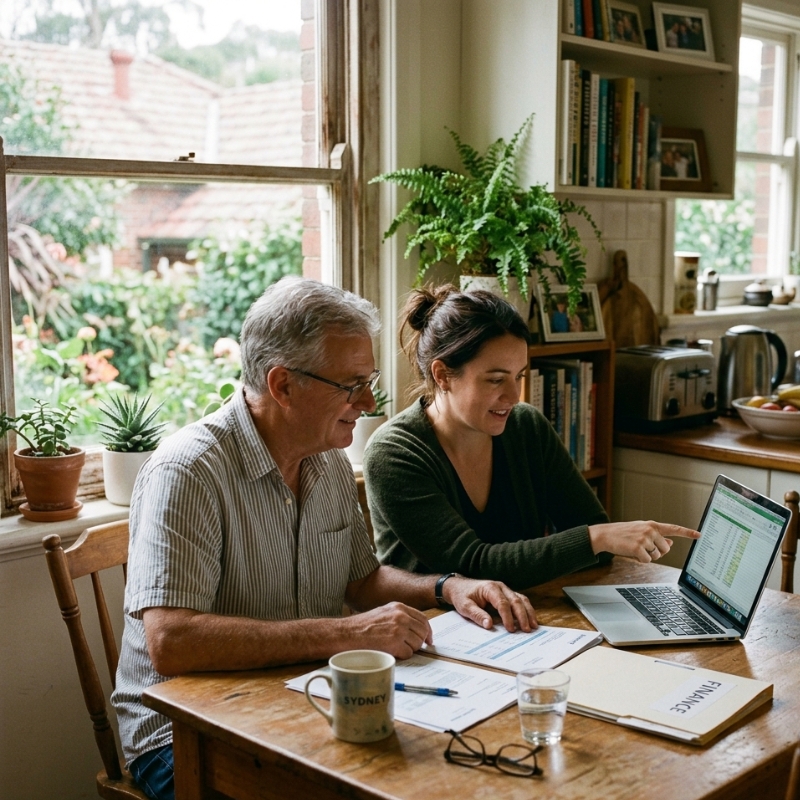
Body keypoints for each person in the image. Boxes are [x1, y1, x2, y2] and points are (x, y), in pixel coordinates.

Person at [111, 278, 536, 800]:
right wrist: (343, 634)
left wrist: (447, 588)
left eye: (370, 378)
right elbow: (171, 643)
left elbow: (362, 580)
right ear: (283, 385)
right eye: (350, 384)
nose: (368, 399)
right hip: (181, 736)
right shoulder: (189, 471)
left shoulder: (329, 459)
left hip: (296, 697)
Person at [362, 285, 700, 591]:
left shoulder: (526, 427)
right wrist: (595, 539)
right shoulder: (394, 452)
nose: (513, 395)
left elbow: (598, 543)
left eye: (519, 376)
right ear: (443, 375)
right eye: (495, 380)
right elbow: (469, 566)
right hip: (428, 636)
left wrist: (600, 539)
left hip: (522, 622)